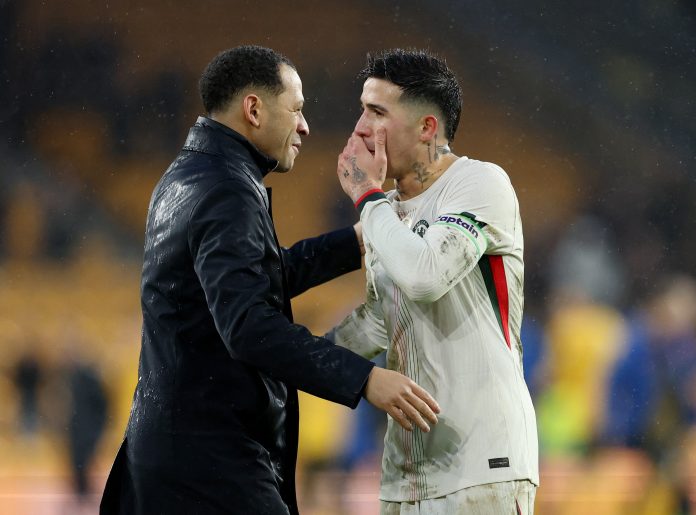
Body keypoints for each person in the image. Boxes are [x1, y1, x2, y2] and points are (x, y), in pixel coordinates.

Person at [100, 45, 440, 515]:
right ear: (254, 110)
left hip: (176, 447)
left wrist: (355, 242)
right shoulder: (227, 189)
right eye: (296, 110)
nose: (304, 126)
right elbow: (249, 325)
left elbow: (250, 281)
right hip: (209, 459)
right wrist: (364, 378)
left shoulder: (188, 175)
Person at [330, 49, 539, 514]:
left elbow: (425, 277)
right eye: (362, 110)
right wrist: (285, 354)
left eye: (377, 112)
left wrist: (366, 196)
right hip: (406, 476)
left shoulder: (480, 183)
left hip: (484, 465)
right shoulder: (386, 212)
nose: (360, 127)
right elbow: (380, 321)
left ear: (427, 127)